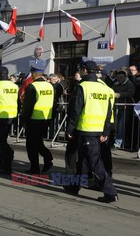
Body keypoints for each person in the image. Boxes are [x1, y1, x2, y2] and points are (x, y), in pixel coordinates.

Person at [63, 61, 118, 203]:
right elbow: (108, 112)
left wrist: (70, 129)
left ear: (85, 71)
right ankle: (74, 186)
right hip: (98, 129)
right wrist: (106, 131)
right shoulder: (104, 88)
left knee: (94, 162)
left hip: (87, 129)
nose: (80, 71)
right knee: (83, 160)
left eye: (81, 69)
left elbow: (76, 110)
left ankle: (110, 192)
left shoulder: (83, 86)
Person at [20, 62, 55, 174]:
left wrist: (24, 120)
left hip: (33, 120)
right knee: (38, 142)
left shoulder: (33, 86)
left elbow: (28, 106)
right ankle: (47, 158)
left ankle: (35, 167)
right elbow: (53, 104)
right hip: (45, 119)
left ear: (34, 74)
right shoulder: (50, 86)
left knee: (31, 145)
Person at [112, 70, 135, 149]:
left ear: (125, 77)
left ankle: (118, 143)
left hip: (126, 108)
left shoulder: (129, 84)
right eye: (118, 77)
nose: (119, 79)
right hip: (118, 108)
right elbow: (112, 91)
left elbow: (131, 93)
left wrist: (119, 94)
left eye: (121, 77)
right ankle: (122, 143)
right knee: (117, 126)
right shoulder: (116, 84)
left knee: (122, 126)